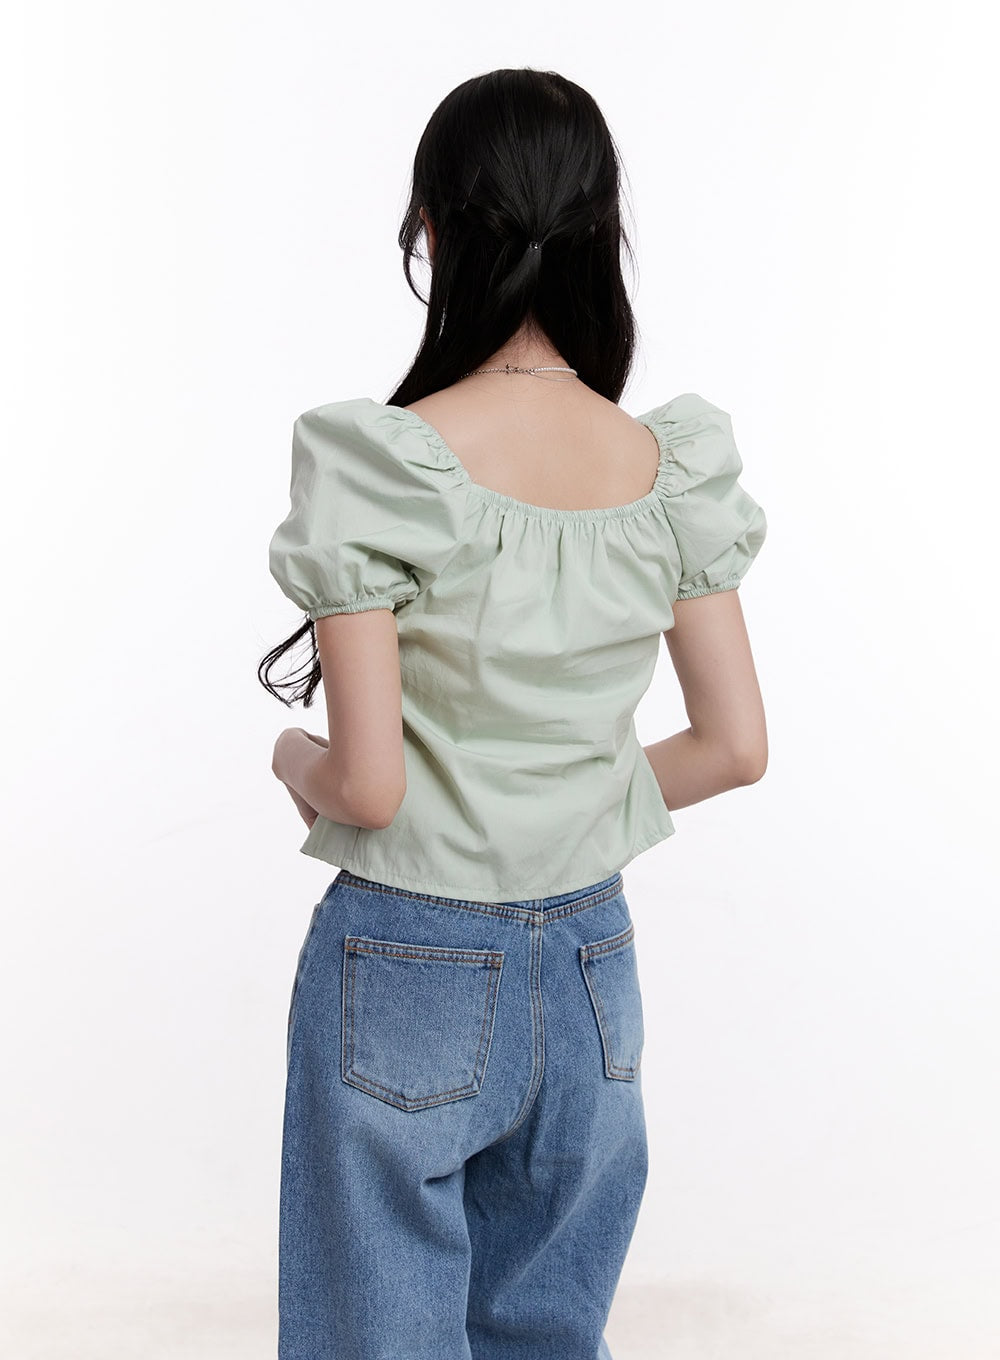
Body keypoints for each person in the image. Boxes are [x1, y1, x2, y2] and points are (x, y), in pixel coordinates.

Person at [259, 66, 768, 1360]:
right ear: (604, 235)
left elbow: (369, 786)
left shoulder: (386, 462)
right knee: (545, 1332)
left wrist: (290, 754)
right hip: (592, 963)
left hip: (407, 953)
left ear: (433, 232)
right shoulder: (669, 470)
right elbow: (735, 747)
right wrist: (571, 798)